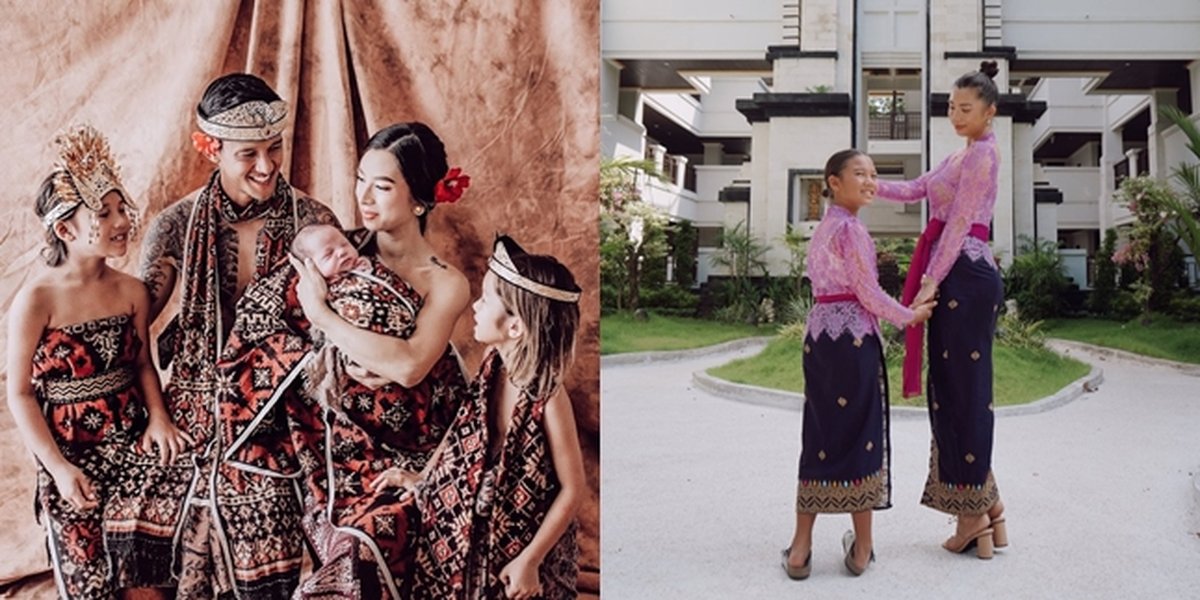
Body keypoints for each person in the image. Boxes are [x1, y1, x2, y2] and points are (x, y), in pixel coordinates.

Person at [137, 72, 338, 597]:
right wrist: (157, 416)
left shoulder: (314, 222)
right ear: (211, 148)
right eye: (248, 154)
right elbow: (133, 331)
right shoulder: (176, 224)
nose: (268, 166)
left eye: (274, 149)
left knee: (268, 512)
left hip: (285, 410)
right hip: (190, 404)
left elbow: (342, 331)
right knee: (133, 509)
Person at [251, 121, 472, 598]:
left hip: (414, 443)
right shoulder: (332, 249)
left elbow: (410, 365)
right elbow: (262, 326)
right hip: (336, 440)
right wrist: (325, 354)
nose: (364, 197)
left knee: (372, 543)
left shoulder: (445, 282)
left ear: (419, 200)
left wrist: (324, 317)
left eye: (383, 185)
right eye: (360, 179)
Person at [6, 125, 193, 599]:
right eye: (103, 213)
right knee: (89, 578)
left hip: (131, 440)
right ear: (65, 229)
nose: (121, 221)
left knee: (149, 571)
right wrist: (58, 467)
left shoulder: (130, 291)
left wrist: (158, 419)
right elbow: (20, 392)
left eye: (120, 208)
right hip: (72, 449)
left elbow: (143, 365)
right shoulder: (37, 300)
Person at [378, 235, 587, 600]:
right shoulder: (493, 365)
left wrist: (531, 560)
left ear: (515, 328)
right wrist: (424, 478)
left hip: (521, 539)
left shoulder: (548, 397)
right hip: (473, 525)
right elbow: (463, 427)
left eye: (486, 299)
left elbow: (573, 489)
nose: (475, 305)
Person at [871, 60, 1008, 557]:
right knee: (951, 387)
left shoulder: (984, 157)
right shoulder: (958, 157)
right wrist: (868, 182)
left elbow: (957, 226)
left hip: (965, 275)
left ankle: (972, 515)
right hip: (955, 273)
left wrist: (930, 279)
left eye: (965, 108)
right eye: (951, 106)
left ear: (989, 112)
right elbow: (913, 190)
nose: (956, 114)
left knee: (965, 391)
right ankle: (991, 509)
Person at [781, 150, 935, 579]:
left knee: (819, 435)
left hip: (820, 342)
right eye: (860, 174)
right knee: (863, 436)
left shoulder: (825, 228)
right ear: (833, 182)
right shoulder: (852, 231)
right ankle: (862, 549)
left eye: (873, 174)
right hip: (853, 343)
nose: (870, 181)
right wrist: (911, 316)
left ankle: (799, 549)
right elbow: (868, 294)